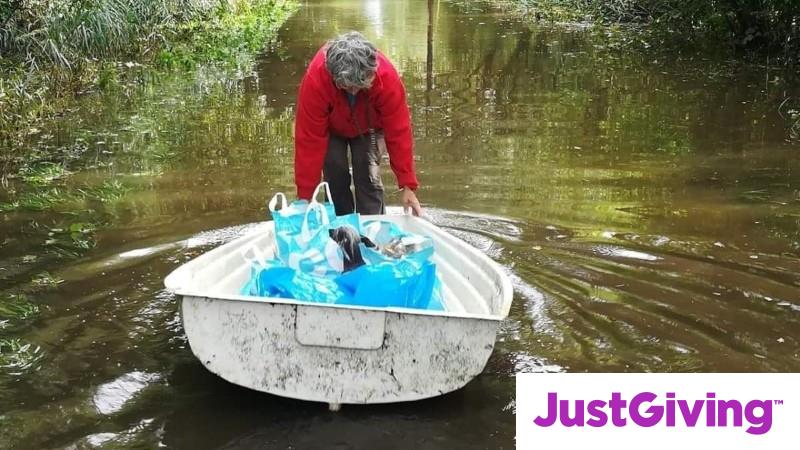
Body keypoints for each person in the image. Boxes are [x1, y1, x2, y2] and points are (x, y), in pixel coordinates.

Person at [294, 31, 423, 216]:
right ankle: (340, 226)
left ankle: (373, 225)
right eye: (348, 87)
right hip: (331, 128)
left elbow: (399, 132)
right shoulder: (316, 79)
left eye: (359, 86)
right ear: (333, 75)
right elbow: (308, 140)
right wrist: (305, 197)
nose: (354, 92)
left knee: (368, 174)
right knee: (335, 172)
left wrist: (408, 185)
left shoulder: (387, 77)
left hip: (370, 126)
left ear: (371, 72)